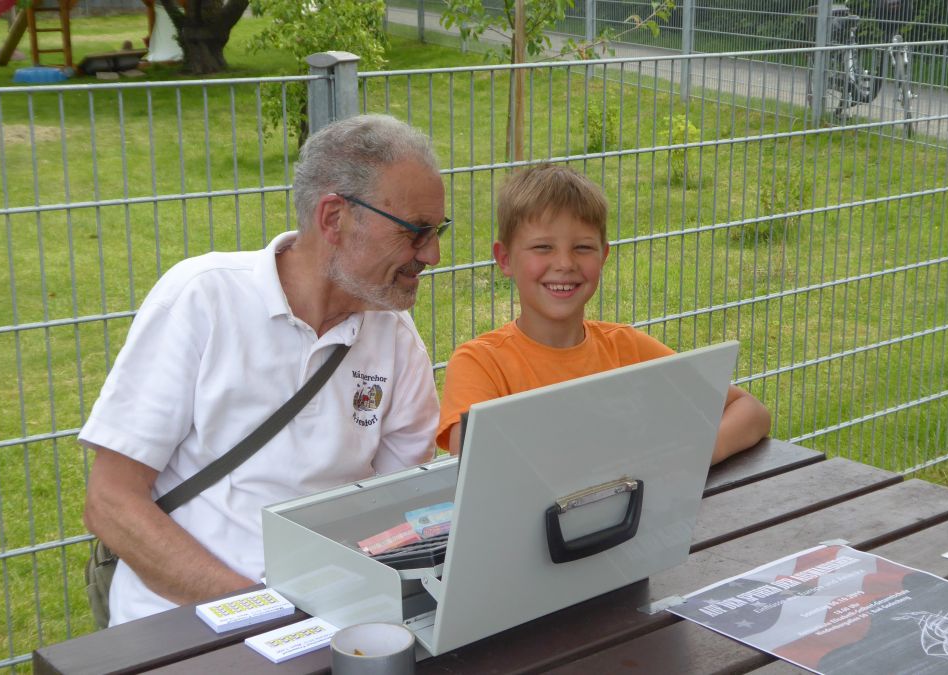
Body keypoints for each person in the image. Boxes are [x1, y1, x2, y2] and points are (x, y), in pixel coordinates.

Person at [81, 114, 448, 626]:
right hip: (184, 625)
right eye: (415, 232)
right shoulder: (204, 298)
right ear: (334, 218)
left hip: (325, 621)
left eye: (438, 231)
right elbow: (110, 502)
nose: (432, 254)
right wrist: (264, 613)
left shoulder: (395, 337)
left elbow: (397, 510)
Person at [437, 163, 770, 461]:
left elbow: (749, 410)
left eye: (582, 247)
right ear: (505, 259)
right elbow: (473, 463)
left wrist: (702, 450)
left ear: (603, 256)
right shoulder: (479, 364)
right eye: (543, 247)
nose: (565, 263)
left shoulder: (627, 349)